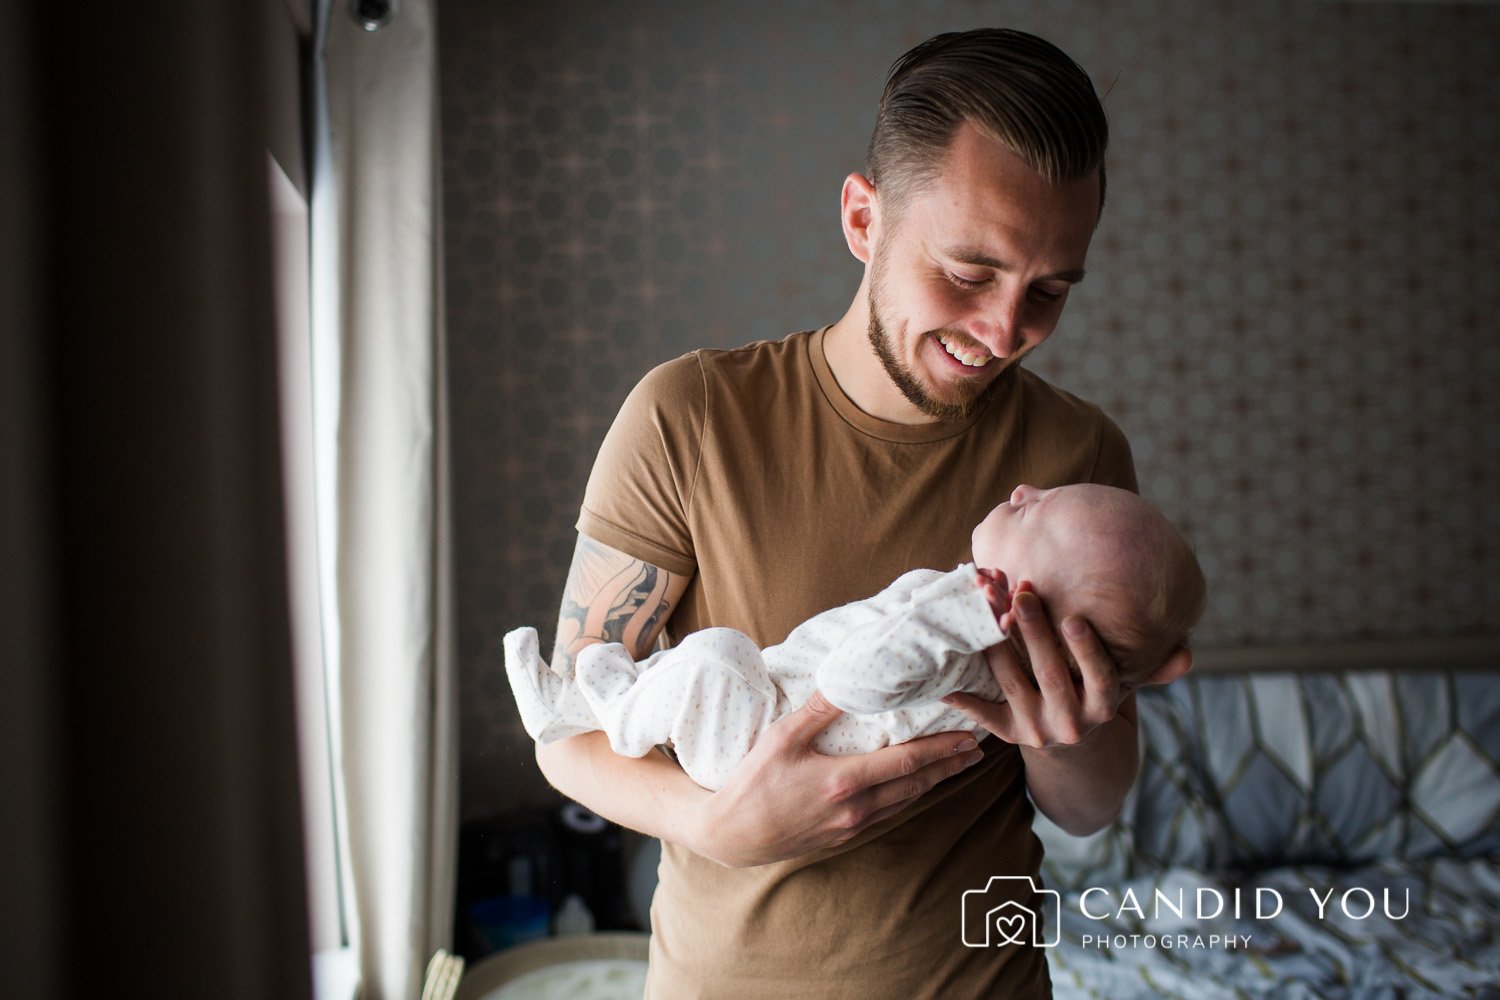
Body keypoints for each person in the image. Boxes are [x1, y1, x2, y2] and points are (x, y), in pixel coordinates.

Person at [533, 27, 1197, 998]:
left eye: (1049, 290)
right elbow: (567, 734)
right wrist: (722, 825)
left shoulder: (1077, 468)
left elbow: (1089, 809)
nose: (1007, 329)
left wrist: (1073, 731)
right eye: (970, 272)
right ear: (863, 219)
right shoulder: (690, 416)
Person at [508, 483, 1203, 790]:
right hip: (759, 730)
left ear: (1029, 606)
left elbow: (850, 683)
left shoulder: (966, 649)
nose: (1022, 490)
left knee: (713, 658)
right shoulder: (964, 621)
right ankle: (591, 703)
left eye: (1038, 513)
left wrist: (960, 616)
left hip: (758, 743)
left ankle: (593, 704)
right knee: (706, 661)